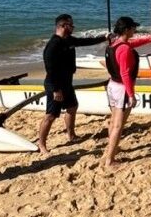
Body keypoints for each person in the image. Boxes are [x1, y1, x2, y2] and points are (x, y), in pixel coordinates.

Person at [39, 14, 110, 153]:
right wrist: (55, 90)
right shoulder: (53, 45)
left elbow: (85, 41)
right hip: (55, 84)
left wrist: (104, 38)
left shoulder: (69, 40)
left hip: (67, 82)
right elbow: (50, 69)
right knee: (51, 115)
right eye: (71, 25)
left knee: (72, 107)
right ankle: (42, 144)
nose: (73, 27)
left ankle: (71, 135)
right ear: (63, 26)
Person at [104, 16, 151, 169]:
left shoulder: (114, 44)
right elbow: (125, 73)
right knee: (118, 125)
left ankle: (111, 149)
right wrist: (132, 95)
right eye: (133, 28)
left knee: (114, 121)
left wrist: (150, 38)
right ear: (126, 30)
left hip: (112, 85)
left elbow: (134, 43)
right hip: (121, 89)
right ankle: (110, 160)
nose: (135, 30)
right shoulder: (125, 49)